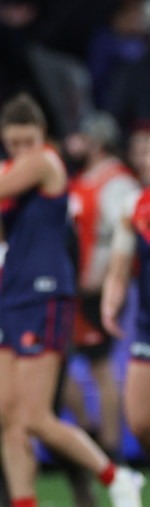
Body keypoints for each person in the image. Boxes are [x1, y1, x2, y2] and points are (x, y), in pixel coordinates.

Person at [0, 92, 144, 507]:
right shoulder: (10, 170)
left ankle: (117, 477)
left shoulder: (44, 161)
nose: (21, 149)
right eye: (13, 142)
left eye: (27, 139)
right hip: (12, 297)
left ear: (42, 137)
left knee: (35, 415)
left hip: (46, 295)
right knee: (11, 417)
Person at [64, 112, 138, 458]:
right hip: (76, 285)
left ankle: (110, 448)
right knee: (68, 363)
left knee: (101, 366)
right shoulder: (85, 178)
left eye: (81, 137)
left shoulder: (117, 182)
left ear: (96, 141)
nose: (73, 143)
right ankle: (89, 438)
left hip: (95, 288)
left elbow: (117, 238)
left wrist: (101, 277)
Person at [102, 141, 150, 461]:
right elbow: (120, 266)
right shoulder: (134, 205)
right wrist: (110, 303)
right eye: (142, 153)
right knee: (140, 420)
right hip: (147, 324)